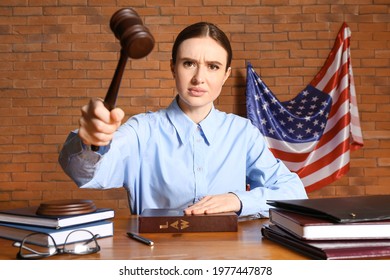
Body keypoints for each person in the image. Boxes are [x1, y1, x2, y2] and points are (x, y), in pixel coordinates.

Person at [59, 22, 307, 218]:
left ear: (225, 75)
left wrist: (238, 200)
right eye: (189, 63)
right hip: (155, 257)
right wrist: (91, 142)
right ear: (173, 67)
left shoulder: (242, 132)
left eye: (212, 66)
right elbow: (85, 174)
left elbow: (293, 193)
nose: (199, 78)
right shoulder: (141, 130)